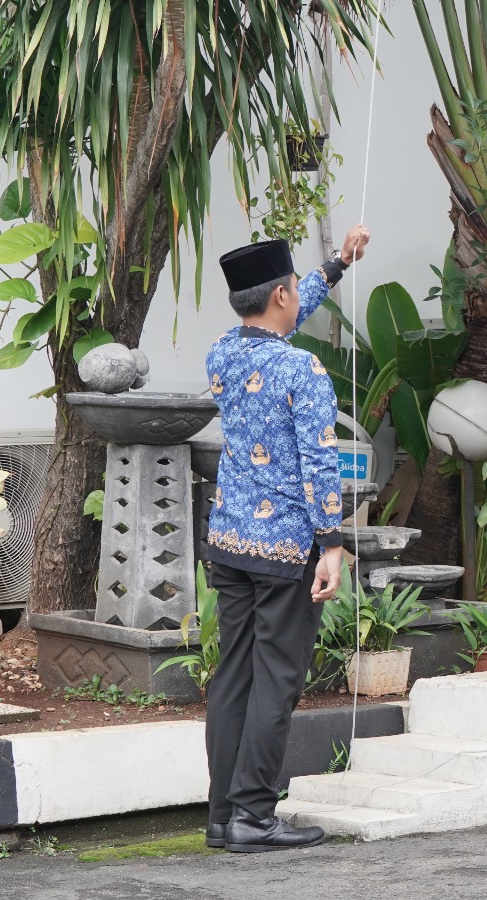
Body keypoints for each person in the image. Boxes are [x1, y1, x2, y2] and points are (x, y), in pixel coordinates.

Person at [203, 225, 370, 853]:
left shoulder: (223, 352)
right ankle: (254, 812)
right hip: (285, 551)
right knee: (276, 679)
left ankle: (224, 815)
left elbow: (278, 327)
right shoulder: (304, 369)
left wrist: (336, 265)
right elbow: (319, 462)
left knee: (233, 677)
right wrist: (333, 543)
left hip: (230, 545)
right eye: (296, 288)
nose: (299, 295)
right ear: (279, 295)